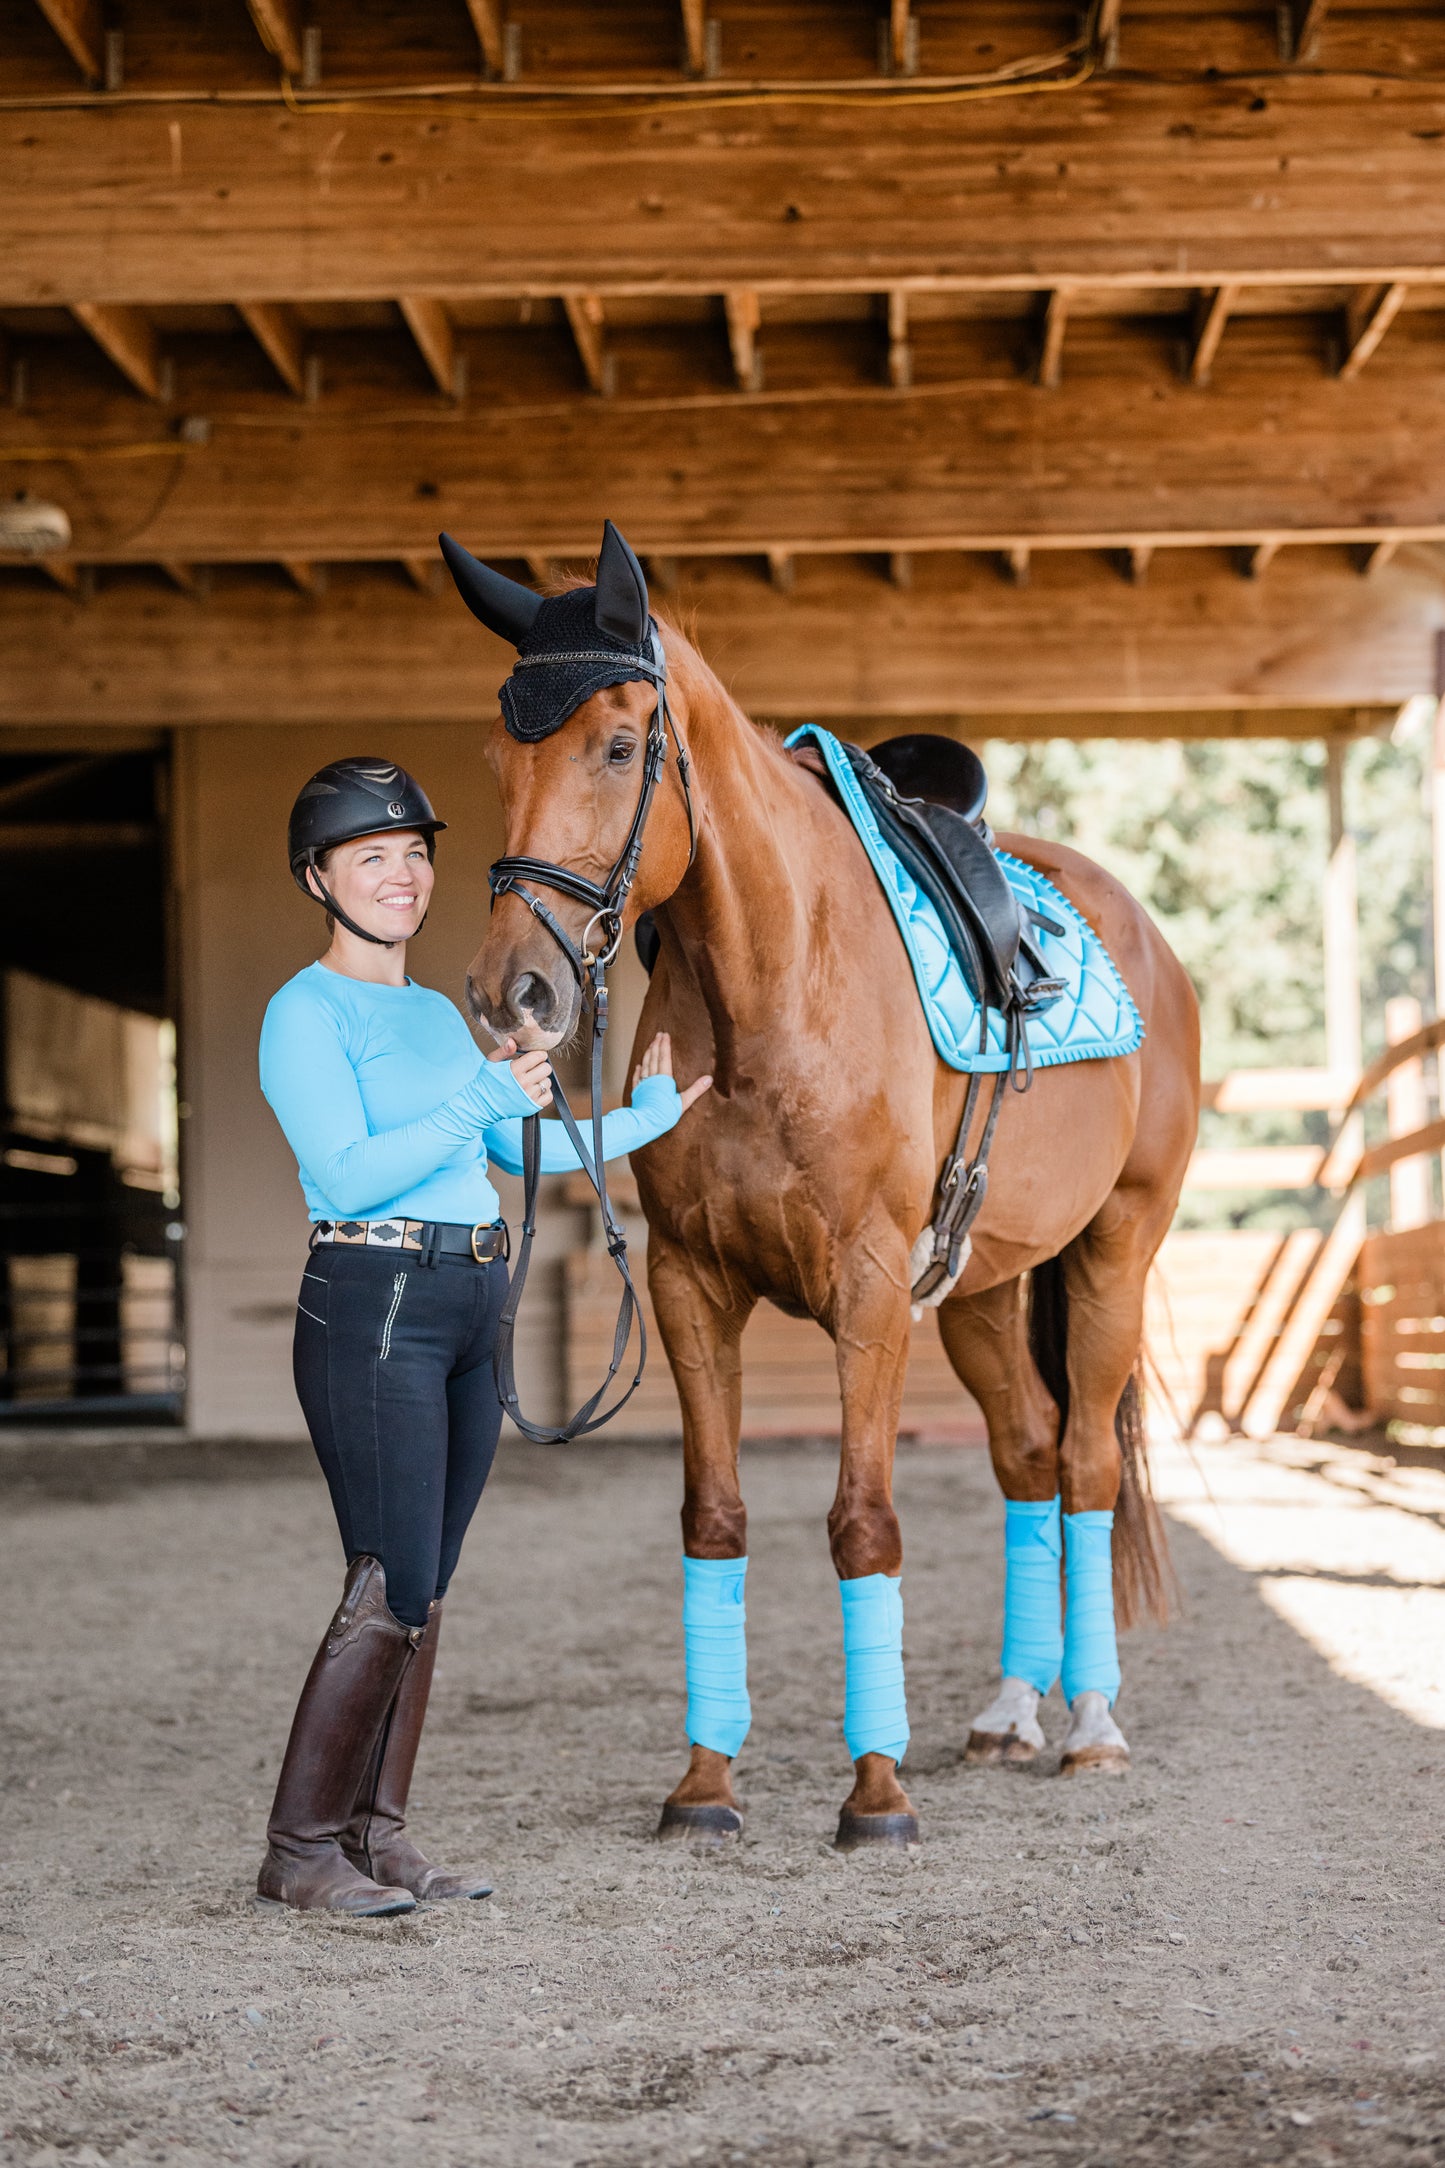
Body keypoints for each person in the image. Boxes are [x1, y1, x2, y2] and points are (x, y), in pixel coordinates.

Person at [254, 757, 710, 1916]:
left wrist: (645, 1118)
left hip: (466, 1298)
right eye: (372, 856)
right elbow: (343, 1170)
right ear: (320, 876)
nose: (402, 875)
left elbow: (508, 1155)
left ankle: (377, 1833)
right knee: (389, 1576)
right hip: (375, 1299)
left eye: (413, 853)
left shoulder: (428, 1014)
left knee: (429, 1579)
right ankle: (301, 1850)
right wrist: (478, 1098)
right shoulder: (303, 1011)